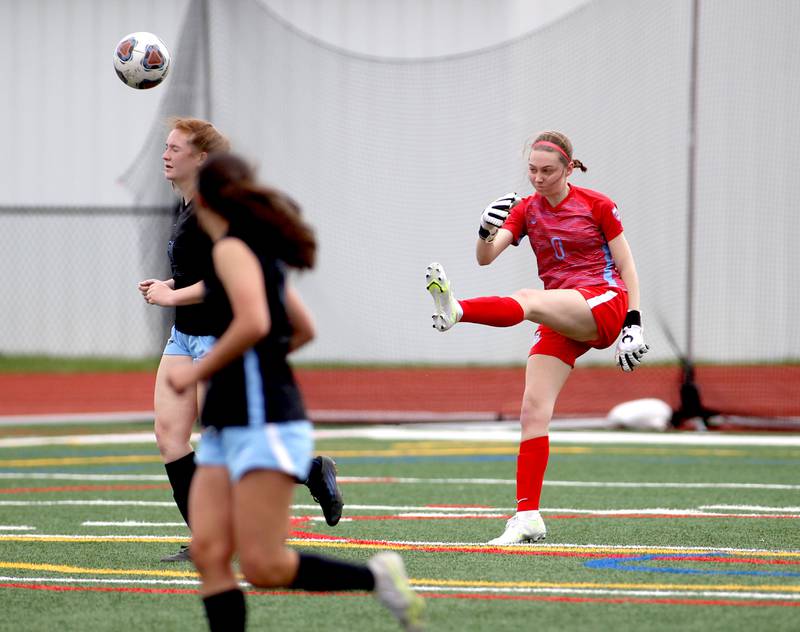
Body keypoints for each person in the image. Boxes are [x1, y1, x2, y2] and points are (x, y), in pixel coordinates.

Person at [166, 153, 425, 631]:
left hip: (262, 419)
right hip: (230, 420)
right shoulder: (249, 249)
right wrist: (258, 359)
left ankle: (376, 578)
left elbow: (256, 323)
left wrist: (202, 372)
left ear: (203, 199)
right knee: (209, 551)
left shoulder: (232, 251)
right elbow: (301, 329)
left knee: (264, 566)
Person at [425, 130, 648, 545]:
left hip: (604, 300)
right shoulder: (526, 209)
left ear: (568, 169)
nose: (538, 178)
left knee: (528, 298)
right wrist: (483, 229)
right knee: (532, 409)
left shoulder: (597, 205)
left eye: (547, 171)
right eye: (532, 170)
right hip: (562, 310)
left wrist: (634, 321)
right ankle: (527, 515)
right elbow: (486, 257)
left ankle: (458, 310)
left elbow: (627, 265)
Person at [137, 118, 343, 562]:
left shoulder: (220, 213)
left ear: (203, 159)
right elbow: (201, 273)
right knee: (170, 436)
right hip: (184, 335)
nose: (166, 154)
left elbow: (226, 281)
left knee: (224, 444)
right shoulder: (190, 206)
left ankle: (307, 469)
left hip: (217, 335)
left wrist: (172, 293)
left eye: (176, 148)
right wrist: (171, 284)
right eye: (166, 147)